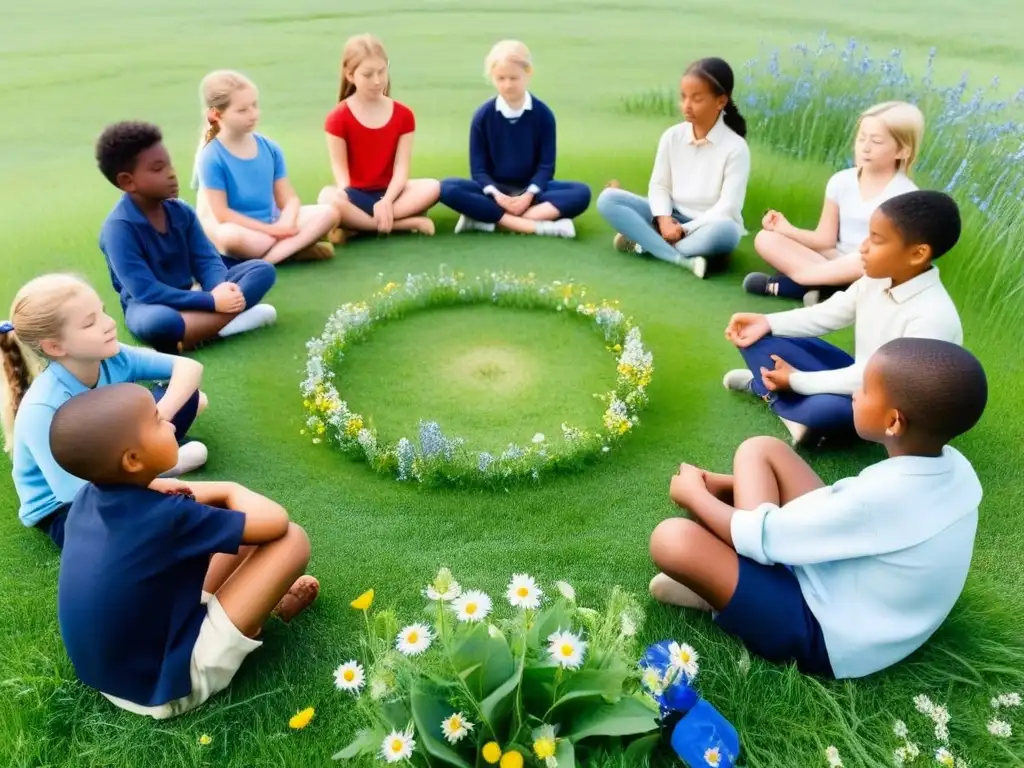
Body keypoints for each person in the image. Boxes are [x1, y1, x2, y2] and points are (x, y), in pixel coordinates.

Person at [648, 337, 988, 680]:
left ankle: (720, 591)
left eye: (866, 390)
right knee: (760, 450)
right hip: (860, 594)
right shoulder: (953, 469)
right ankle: (729, 577)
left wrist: (694, 495)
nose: (855, 393)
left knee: (672, 539)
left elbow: (769, 534)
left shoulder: (878, 499)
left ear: (894, 422)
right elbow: (842, 513)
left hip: (829, 637)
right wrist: (725, 485)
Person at [51, 383, 319, 719]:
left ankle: (263, 600)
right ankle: (256, 613)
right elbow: (275, 521)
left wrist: (159, 487)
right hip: (165, 685)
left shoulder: (88, 499)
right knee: (291, 540)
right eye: (157, 420)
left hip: (116, 673)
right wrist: (228, 487)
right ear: (132, 460)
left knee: (236, 527)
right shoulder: (167, 516)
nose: (172, 424)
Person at [722, 190, 963, 446]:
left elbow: (879, 382)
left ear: (917, 254)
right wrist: (768, 322)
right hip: (856, 378)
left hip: (882, 407)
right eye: (868, 235)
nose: (863, 247)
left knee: (825, 410)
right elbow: (831, 313)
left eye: (877, 240)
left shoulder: (932, 317)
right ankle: (781, 400)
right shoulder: (876, 278)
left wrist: (795, 380)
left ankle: (766, 390)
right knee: (755, 337)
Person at [2, 274, 208, 549]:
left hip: (112, 455)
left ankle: (157, 462)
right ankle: (162, 466)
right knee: (140, 533)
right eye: (90, 322)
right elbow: (75, 491)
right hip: (65, 507)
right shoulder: (42, 408)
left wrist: (156, 419)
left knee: (187, 395)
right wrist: (155, 483)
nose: (109, 324)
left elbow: (189, 368)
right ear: (54, 346)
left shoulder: (115, 356)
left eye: (103, 312)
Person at [96, 121, 278, 354]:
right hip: (151, 306)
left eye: (169, 165)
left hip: (196, 292)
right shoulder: (118, 229)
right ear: (127, 181)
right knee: (160, 324)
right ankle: (224, 324)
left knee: (261, 271)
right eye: (157, 169)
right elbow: (146, 291)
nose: (171, 174)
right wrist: (212, 303)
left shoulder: (181, 211)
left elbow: (207, 260)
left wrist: (220, 290)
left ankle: (190, 336)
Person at [745, 101, 924, 305]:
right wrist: (785, 229)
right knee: (766, 239)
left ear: (902, 151)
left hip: (868, 267)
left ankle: (798, 283)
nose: (865, 148)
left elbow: (892, 256)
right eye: (861, 138)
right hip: (832, 258)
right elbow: (824, 240)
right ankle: (832, 287)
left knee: (862, 261)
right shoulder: (841, 181)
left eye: (876, 141)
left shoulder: (906, 196)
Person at [595, 57, 750, 279]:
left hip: (710, 225)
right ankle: (679, 257)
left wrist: (685, 229)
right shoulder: (672, 136)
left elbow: (728, 207)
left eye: (696, 99)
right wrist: (665, 220)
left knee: (725, 233)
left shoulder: (736, 148)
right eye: (683, 97)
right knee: (608, 199)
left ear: (720, 101)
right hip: (669, 218)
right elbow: (659, 186)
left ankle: (643, 243)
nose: (687, 106)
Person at [438, 40, 590, 238]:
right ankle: (540, 226)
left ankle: (488, 220)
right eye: (501, 78)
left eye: (514, 78)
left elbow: (546, 167)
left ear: (528, 74)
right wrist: (498, 196)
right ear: (492, 77)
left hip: (533, 192)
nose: (507, 85)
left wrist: (527, 196)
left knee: (580, 192)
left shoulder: (543, 115)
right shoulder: (483, 117)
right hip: (495, 191)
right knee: (447, 188)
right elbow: (478, 170)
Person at [193, 70, 340, 264]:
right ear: (216, 114)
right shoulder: (211, 155)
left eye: (254, 106)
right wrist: (274, 231)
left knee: (328, 214)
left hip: (271, 225)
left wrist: (285, 223)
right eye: (242, 110)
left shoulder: (270, 148)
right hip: (242, 230)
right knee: (231, 239)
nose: (253, 114)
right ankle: (292, 248)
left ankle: (270, 259)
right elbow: (222, 214)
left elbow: (289, 199)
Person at [317, 34, 440, 238]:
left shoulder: (403, 115)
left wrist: (387, 201)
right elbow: (342, 176)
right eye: (367, 75)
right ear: (350, 75)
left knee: (433, 187)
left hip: (392, 193)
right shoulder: (337, 118)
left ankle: (356, 226)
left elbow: (401, 170)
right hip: (355, 195)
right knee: (327, 198)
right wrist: (348, 197)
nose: (377, 81)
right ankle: (399, 223)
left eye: (382, 72)